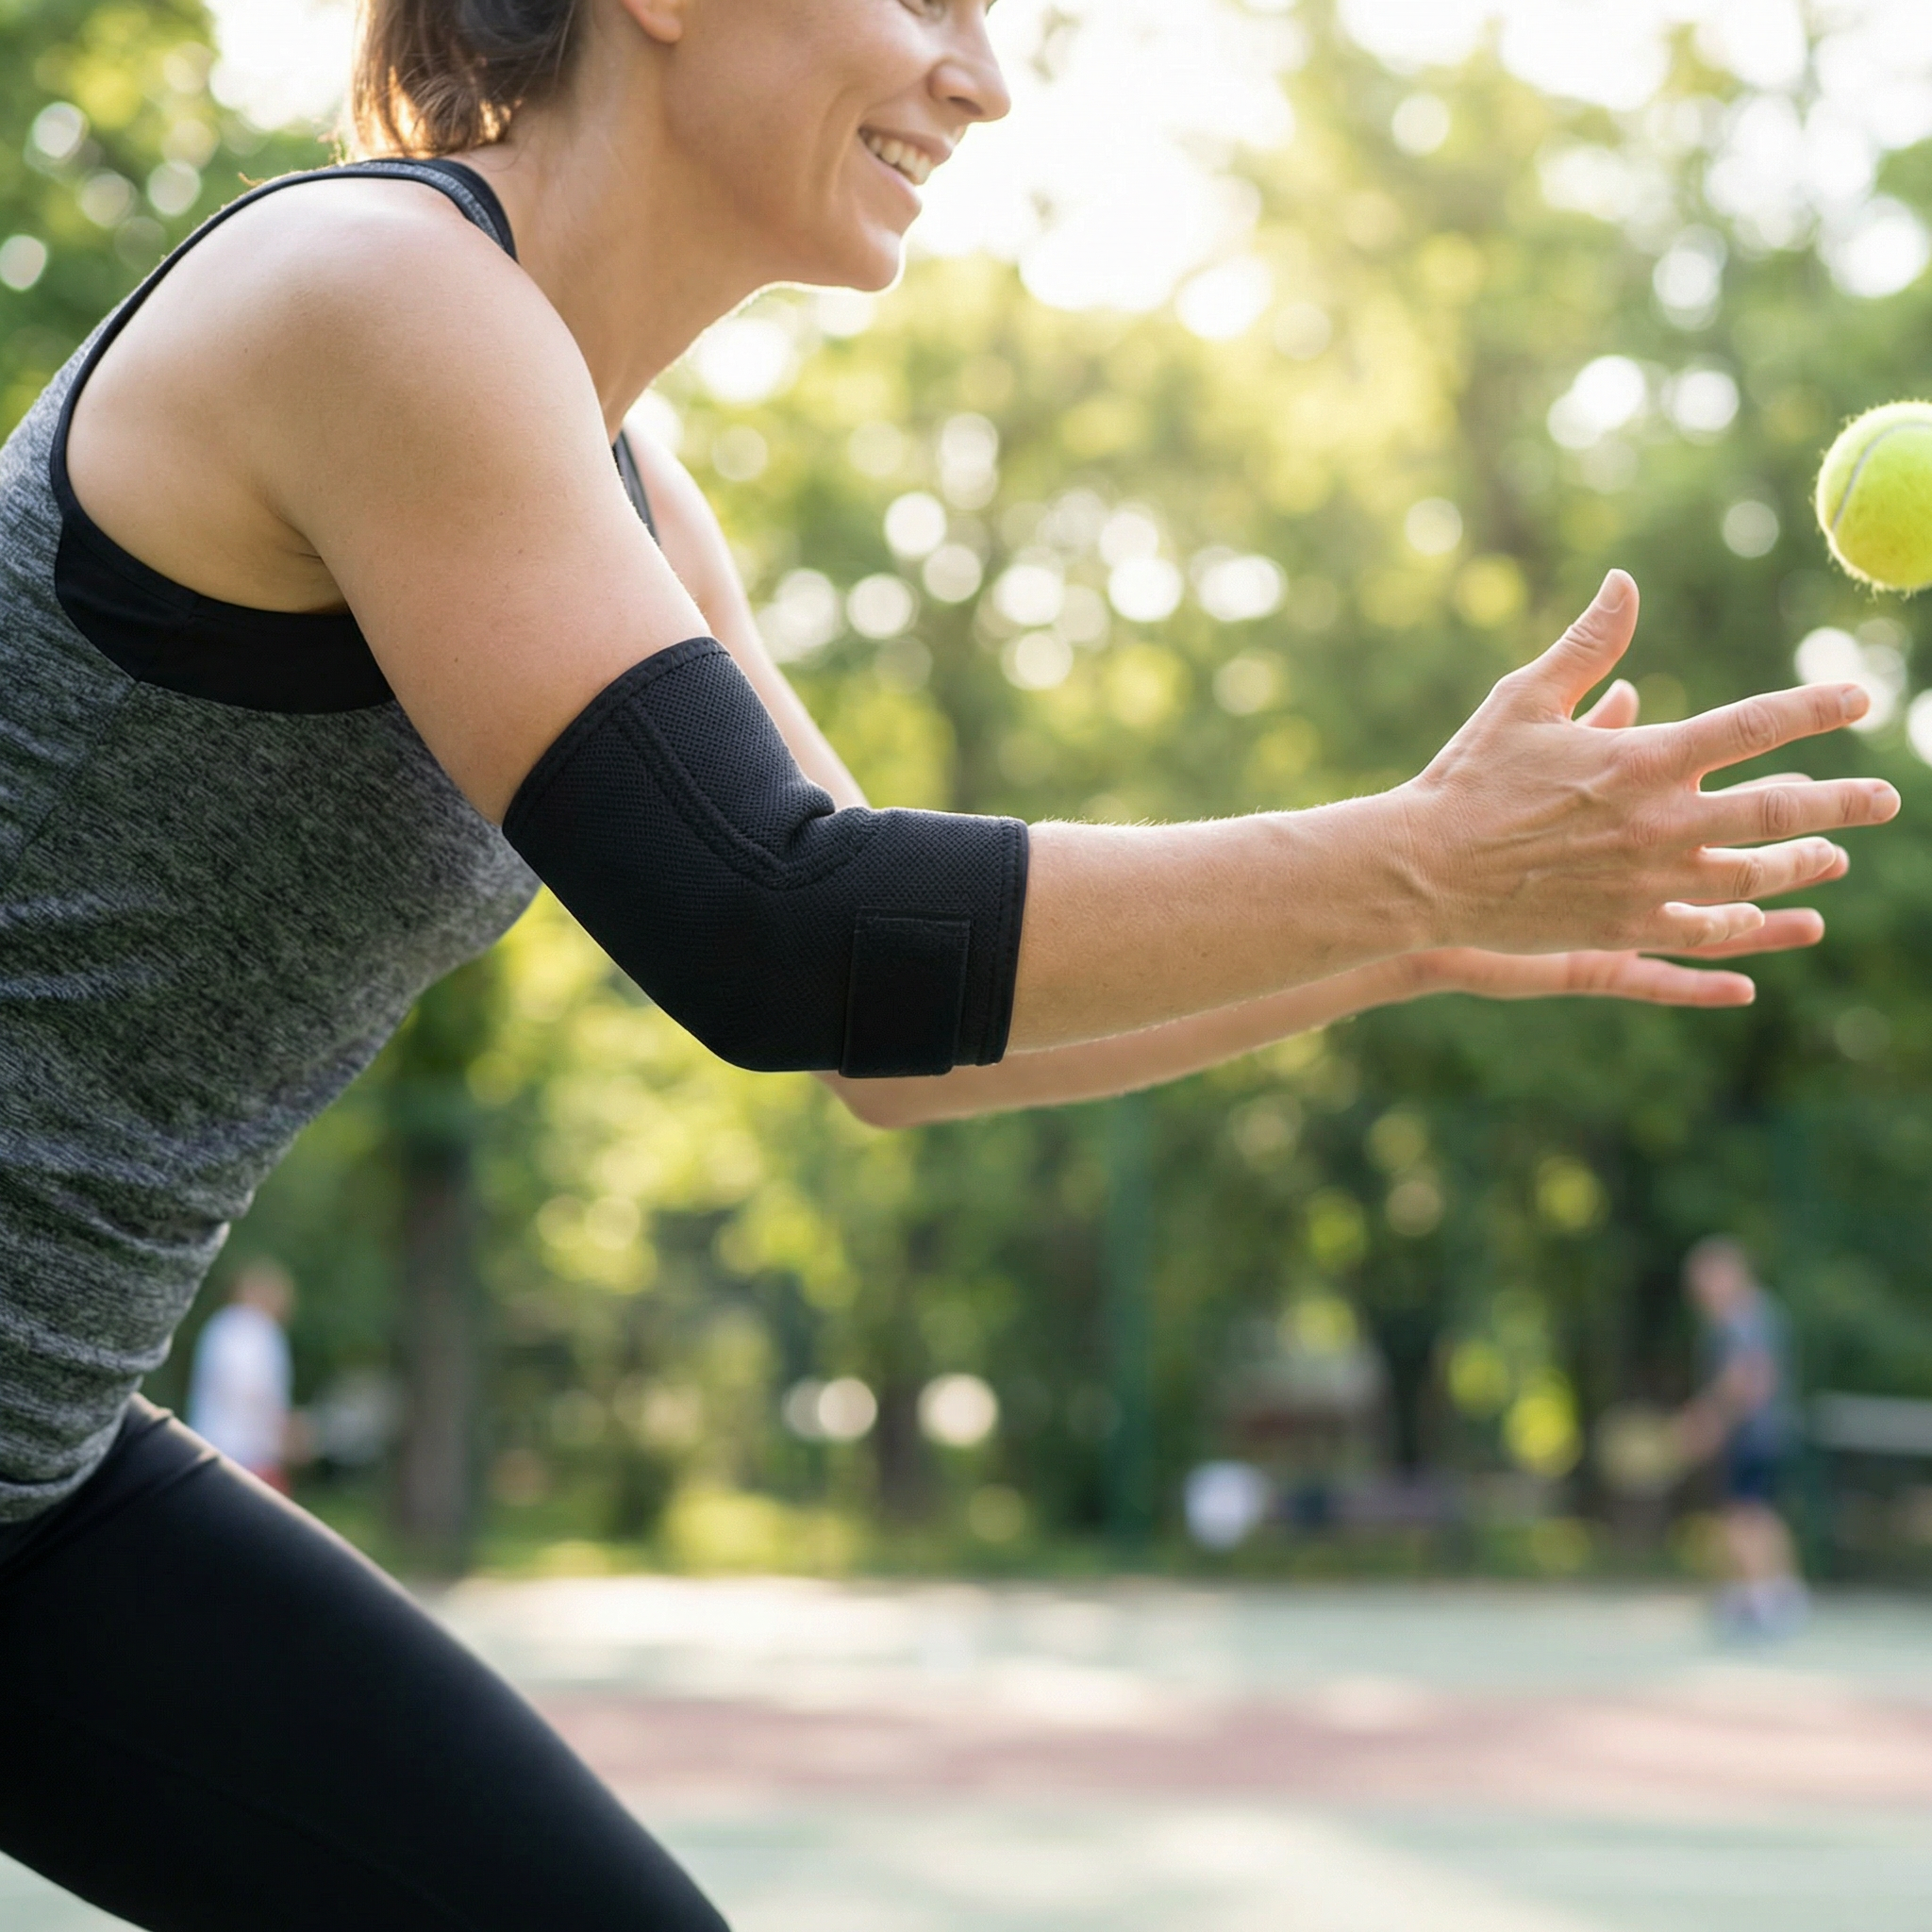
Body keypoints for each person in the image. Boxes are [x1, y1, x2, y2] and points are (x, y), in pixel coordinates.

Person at [0, 0, 1896, 1924]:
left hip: (34, 1478)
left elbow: (904, 1046)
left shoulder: (627, 487)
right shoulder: (371, 285)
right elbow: (779, 923)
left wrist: (1416, 919)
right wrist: (1402, 864)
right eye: (927, 0)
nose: (982, 77)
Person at [1676, 1236, 1807, 1637]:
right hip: (1772, 1432)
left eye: (1706, 1278)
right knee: (1762, 1514)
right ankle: (1779, 1596)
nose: (1700, 1290)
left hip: (1755, 1435)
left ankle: (1760, 1603)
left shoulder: (1740, 1318)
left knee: (1741, 1516)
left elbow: (1748, 1379)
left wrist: (1708, 1418)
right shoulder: (1764, 1311)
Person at [186, 1260, 299, 1492]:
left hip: (208, 1446)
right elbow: (249, 1392)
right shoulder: (257, 1329)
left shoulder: (220, 1326)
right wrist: (285, 1432)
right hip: (247, 1455)